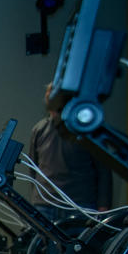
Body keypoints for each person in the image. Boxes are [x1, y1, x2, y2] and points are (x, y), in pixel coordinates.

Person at [28, 82, 113, 221]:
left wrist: (103, 206)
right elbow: (33, 167)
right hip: (45, 205)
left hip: (80, 204)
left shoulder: (86, 129)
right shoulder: (39, 129)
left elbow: (104, 170)